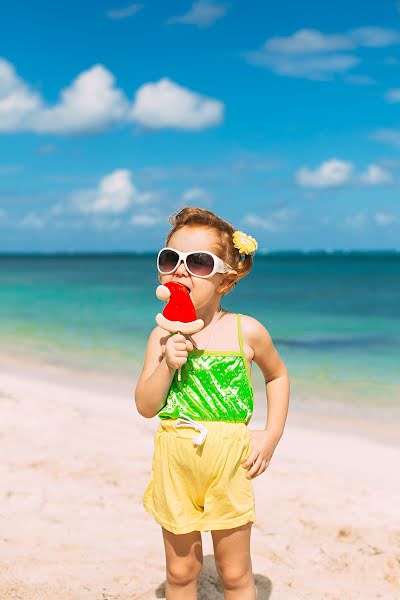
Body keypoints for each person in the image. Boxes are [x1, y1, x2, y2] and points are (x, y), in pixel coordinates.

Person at [135, 206, 290, 600]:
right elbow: (146, 405)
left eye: (199, 262)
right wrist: (167, 365)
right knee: (181, 570)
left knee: (234, 572)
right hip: (175, 458)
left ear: (226, 279)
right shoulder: (161, 337)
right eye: (171, 259)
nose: (181, 270)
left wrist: (270, 435)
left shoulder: (246, 331)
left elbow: (277, 376)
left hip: (228, 462)